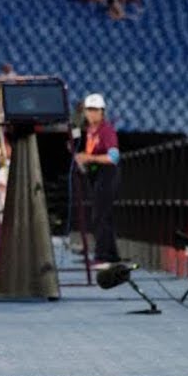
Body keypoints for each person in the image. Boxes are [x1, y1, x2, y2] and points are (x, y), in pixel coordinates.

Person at [76, 93, 121, 264]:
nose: (92, 114)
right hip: (97, 175)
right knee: (102, 215)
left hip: (108, 175)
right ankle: (111, 255)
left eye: (96, 110)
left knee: (101, 216)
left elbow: (114, 157)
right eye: (89, 110)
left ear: (102, 112)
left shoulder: (106, 130)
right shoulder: (89, 131)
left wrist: (90, 159)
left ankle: (103, 256)